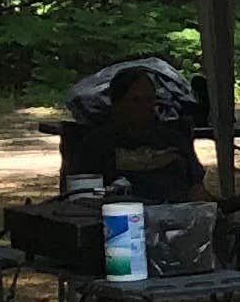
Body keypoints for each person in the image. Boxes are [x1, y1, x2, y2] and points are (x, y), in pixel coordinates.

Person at [73, 64, 205, 206]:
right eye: (136, 100)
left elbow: (197, 184)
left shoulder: (174, 138)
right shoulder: (97, 142)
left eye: (149, 99)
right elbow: (86, 192)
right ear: (117, 103)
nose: (145, 106)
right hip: (123, 213)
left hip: (177, 213)